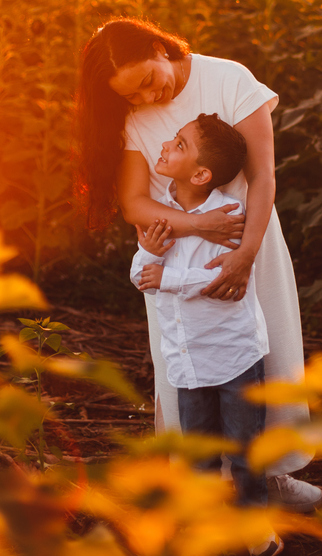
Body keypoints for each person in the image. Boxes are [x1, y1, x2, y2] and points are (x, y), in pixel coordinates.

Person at [75, 17, 322, 512]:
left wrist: (244, 256)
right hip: (175, 258)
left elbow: (264, 178)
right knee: (186, 369)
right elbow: (134, 205)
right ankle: (203, 490)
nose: (148, 99)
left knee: (264, 356)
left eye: (147, 81)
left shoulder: (229, 79)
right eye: (132, 97)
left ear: (157, 47)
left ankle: (268, 480)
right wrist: (199, 226)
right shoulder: (135, 119)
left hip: (251, 238)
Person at [129, 113, 278, 554]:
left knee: (245, 451)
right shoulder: (163, 216)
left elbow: (223, 285)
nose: (165, 147)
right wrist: (145, 253)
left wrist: (167, 276)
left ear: (201, 174)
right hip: (186, 360)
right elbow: (141, 276)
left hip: (233, 356)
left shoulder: (227, 216)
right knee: (199, 456)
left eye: (178, 144)